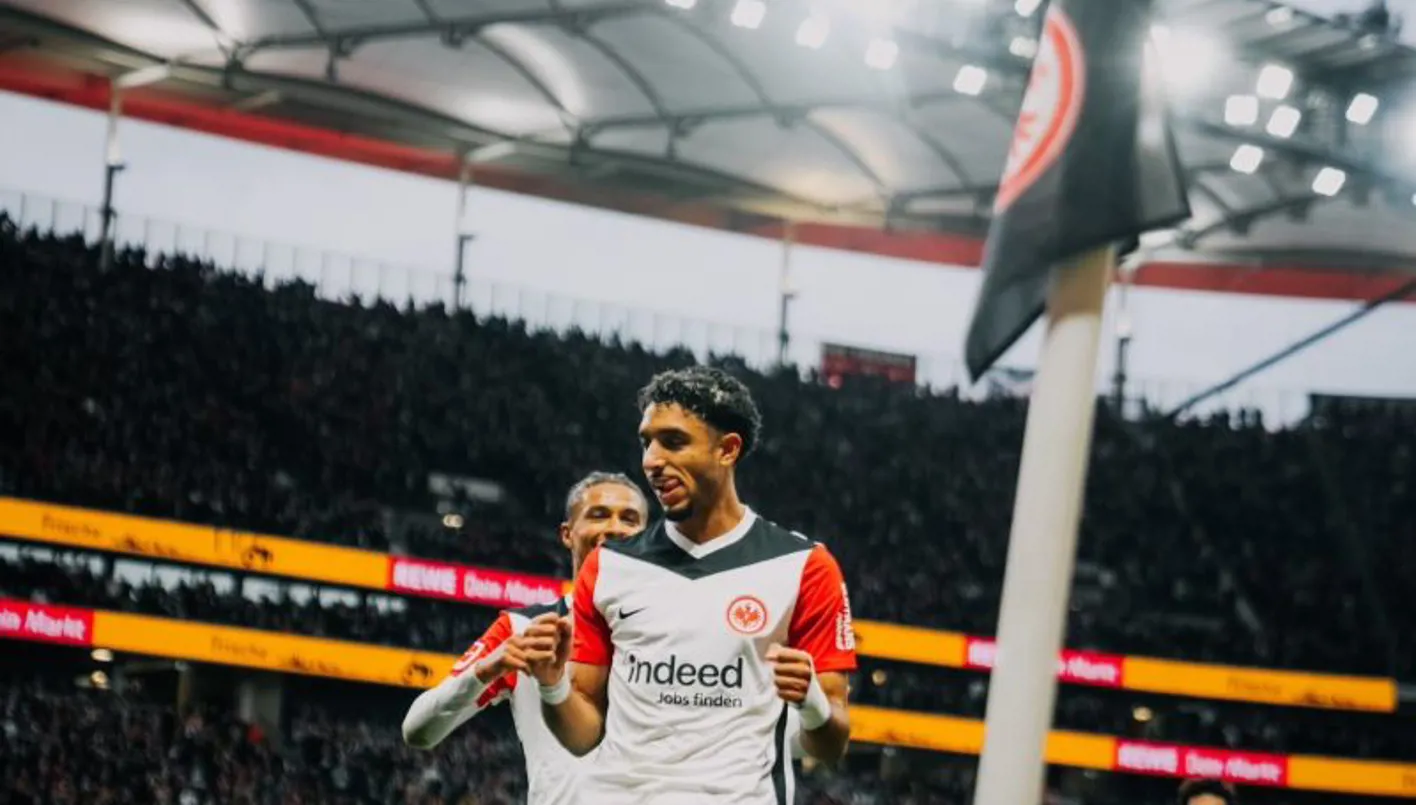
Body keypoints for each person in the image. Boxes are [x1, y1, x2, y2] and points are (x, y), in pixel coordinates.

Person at [524, 365, 857, 804]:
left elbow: (831, 746)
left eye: (674, 442)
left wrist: (811, 702)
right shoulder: (608, 566)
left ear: (728, 449)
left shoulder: (804, 567)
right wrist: (552, 686)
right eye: (647, 442)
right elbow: (583, 736)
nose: (652, 461)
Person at [401, 471, 649, 804]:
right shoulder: (523, 630)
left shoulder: (675, 629)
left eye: (629, 519)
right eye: (598, 515)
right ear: (567, 534)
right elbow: (418, 731)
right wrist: (486, 669)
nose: (615, 527)